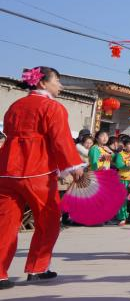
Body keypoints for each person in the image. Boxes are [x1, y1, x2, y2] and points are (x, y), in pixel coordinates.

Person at [0, 67, 85, 289]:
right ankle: (37, 268)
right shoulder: (52, 107)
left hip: (7, 169)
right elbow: (61, 140)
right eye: (58, 80)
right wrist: (73, 166)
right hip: (36, 170)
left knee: (5, 224)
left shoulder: (15, 106)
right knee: (48, 220)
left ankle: (0, 274)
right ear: (42, 83)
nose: (61, 85)